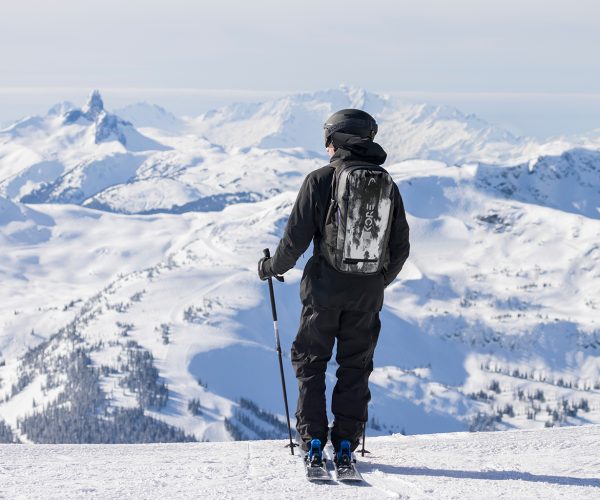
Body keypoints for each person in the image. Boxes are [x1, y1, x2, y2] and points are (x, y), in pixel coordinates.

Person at [258, 109, 410, 466]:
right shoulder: (387, 184)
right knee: (355, 367)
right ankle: (345, 443)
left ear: (336, 140)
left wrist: (269, 268)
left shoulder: (320, 180)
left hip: (323, 294)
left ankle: (313, 441)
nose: (325, 146)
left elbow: (293, 243)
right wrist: (376, 281)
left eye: (327, 138)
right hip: (367, 295)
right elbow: (400, 249)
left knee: (311, 363)